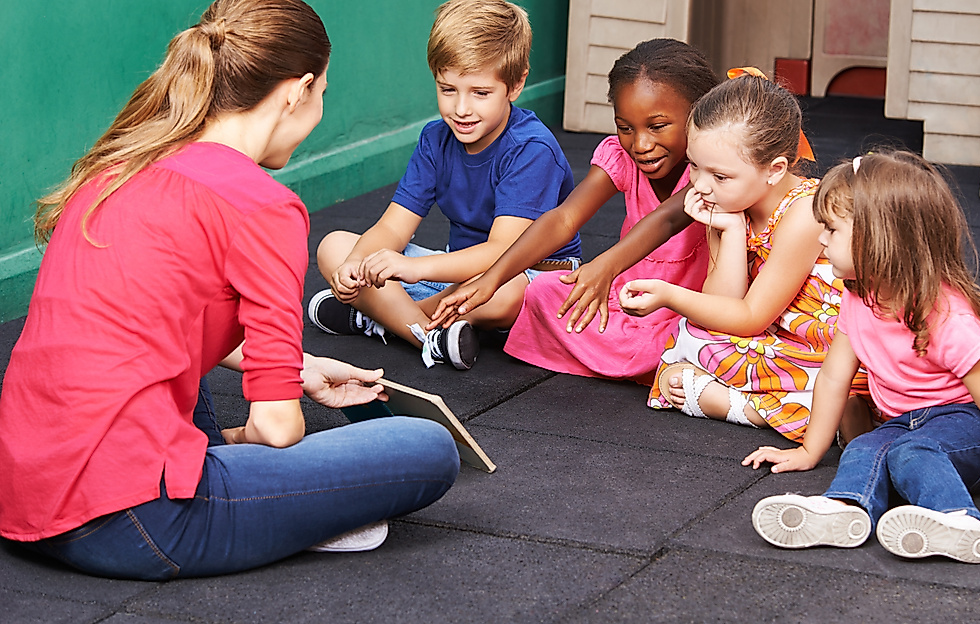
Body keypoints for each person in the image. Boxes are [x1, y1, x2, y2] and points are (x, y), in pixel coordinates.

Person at [0, 0, 460, 581]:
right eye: (324, 95)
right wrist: (253, 435)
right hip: (135, 524)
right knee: (426, 448)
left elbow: (151, 323)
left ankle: (250, 486)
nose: (320, 109)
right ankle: (281, 510)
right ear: (298, 90)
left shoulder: (118, 168)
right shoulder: (262, 205)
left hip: (25, 499)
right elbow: (276, 428)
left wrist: (297, 365)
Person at [744, 151, 980, 564]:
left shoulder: (946, 318)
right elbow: (834, 378)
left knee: (911, 454)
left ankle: (960, 521)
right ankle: (848, 511)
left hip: (972, 425)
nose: (821, 239)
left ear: (879, 238)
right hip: (906, 422)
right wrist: (808, 452)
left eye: (831, 230)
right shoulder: (859, 297)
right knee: (863, 448)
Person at [308, 0, 578, 371]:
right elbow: (392, 227)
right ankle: (429, 335)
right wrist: (356, 266)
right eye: (448, 89)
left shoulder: (532, 148)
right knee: (333, 246)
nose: (461, 109)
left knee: (506, 291)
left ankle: (384, 320)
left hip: (529, 275)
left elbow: (503, 252)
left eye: (480, 93)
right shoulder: (435, 139)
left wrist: (414, 270)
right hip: (454, 274)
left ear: (515, 85)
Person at [429, 38, 718, 383]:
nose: (640, 144)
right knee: (543, 291)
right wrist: (492, 279)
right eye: (625, 127)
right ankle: (646, 361)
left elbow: (669, 218)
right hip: (630, 301)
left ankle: (651, 357)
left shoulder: (712, 169)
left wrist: (604, 266)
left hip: (690, 307)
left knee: (705, 336)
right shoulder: (621, 155)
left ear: (699, 114)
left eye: (657, 126)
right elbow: (564, 218)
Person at [619, 71, 870, 442]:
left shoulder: (803, 212)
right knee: (685, 350)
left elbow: (750, 319)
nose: (701, 186)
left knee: (683, 358)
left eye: (720, 176)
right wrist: (731, 231)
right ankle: (794, 409)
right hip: (772, 339)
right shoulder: (726, 202)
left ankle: (760, 409)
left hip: (827, 349)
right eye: (694, 167)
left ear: (775, 170)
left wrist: (669, 295)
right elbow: (723, 307)